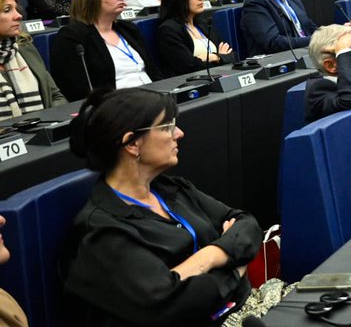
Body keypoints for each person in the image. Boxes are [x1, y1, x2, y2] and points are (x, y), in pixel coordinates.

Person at [63, 88, 262, 326]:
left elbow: (247, 224)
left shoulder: (170, 188)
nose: (179, 133)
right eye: (167, 126)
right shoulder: (102, 231)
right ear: (132, 144)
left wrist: (208, 257)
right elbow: (169, 304)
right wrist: (234, 266)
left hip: (243, 308)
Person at [50, 0, 161, 99]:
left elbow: (154, 72)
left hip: (152, 98)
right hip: (113, 106)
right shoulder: (73, 37)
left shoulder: (129, 29)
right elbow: (75, 89)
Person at [0, 0, 66, 116]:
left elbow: (56, 96)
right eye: (7, 10)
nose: (18, 16)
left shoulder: (24, 48)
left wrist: (47, 123)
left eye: (17, 9)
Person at [155, 0, 233, 77]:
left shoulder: (203, 24)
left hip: (220, 77)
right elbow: (189, 66)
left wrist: (213, 57)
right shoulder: (168, 30)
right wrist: (219, 57)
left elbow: (232, 55)